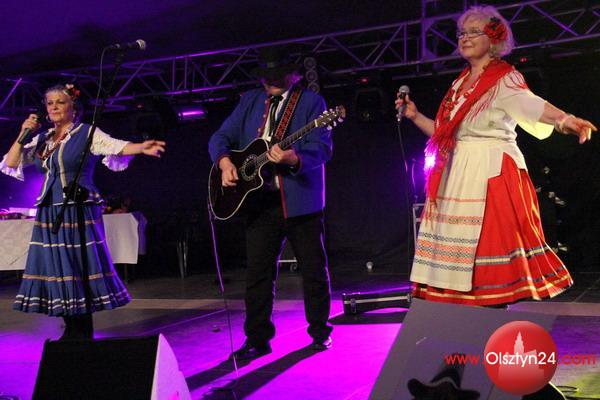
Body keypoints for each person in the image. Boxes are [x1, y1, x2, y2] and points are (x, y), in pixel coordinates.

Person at [395, 5, 596, 308]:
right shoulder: (460, 84)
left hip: (489, 174)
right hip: (457, 173)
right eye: (461, 33)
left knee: (486, 257)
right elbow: (445, 134)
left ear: (494, 39)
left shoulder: (504, 79)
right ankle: (462, 325)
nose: (464, 38)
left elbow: (531, 104)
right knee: (460, 264)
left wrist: (564, 120)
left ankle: (490, 318)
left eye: (473, 32)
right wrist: (414, 116)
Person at [0, 83, 166, 340]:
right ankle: (71, 329)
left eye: (60, 102)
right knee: (58, 269)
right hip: (50, 212)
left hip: (78, 208)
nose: (54, 107)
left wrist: (141, 147)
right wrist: (23, 133)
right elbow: (11, 162)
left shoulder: (86, 133)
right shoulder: (43, 139)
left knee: (77, 268)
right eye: (50, 103)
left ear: (73, 108)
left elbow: (114, 146)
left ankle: (81, 331)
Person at [208, 47, 333, 360]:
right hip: (259, 203)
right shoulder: (250, 101)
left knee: (313, 270)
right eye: (266, 77)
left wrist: (294, 158)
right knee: (258, 275)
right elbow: (220, 137)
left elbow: (322, 149)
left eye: (276, 76)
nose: (270, 82)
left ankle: (320, 331)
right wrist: (224, 162)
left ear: (293, 75)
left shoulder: (311, 102)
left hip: (300, 202)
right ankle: (257, 339)